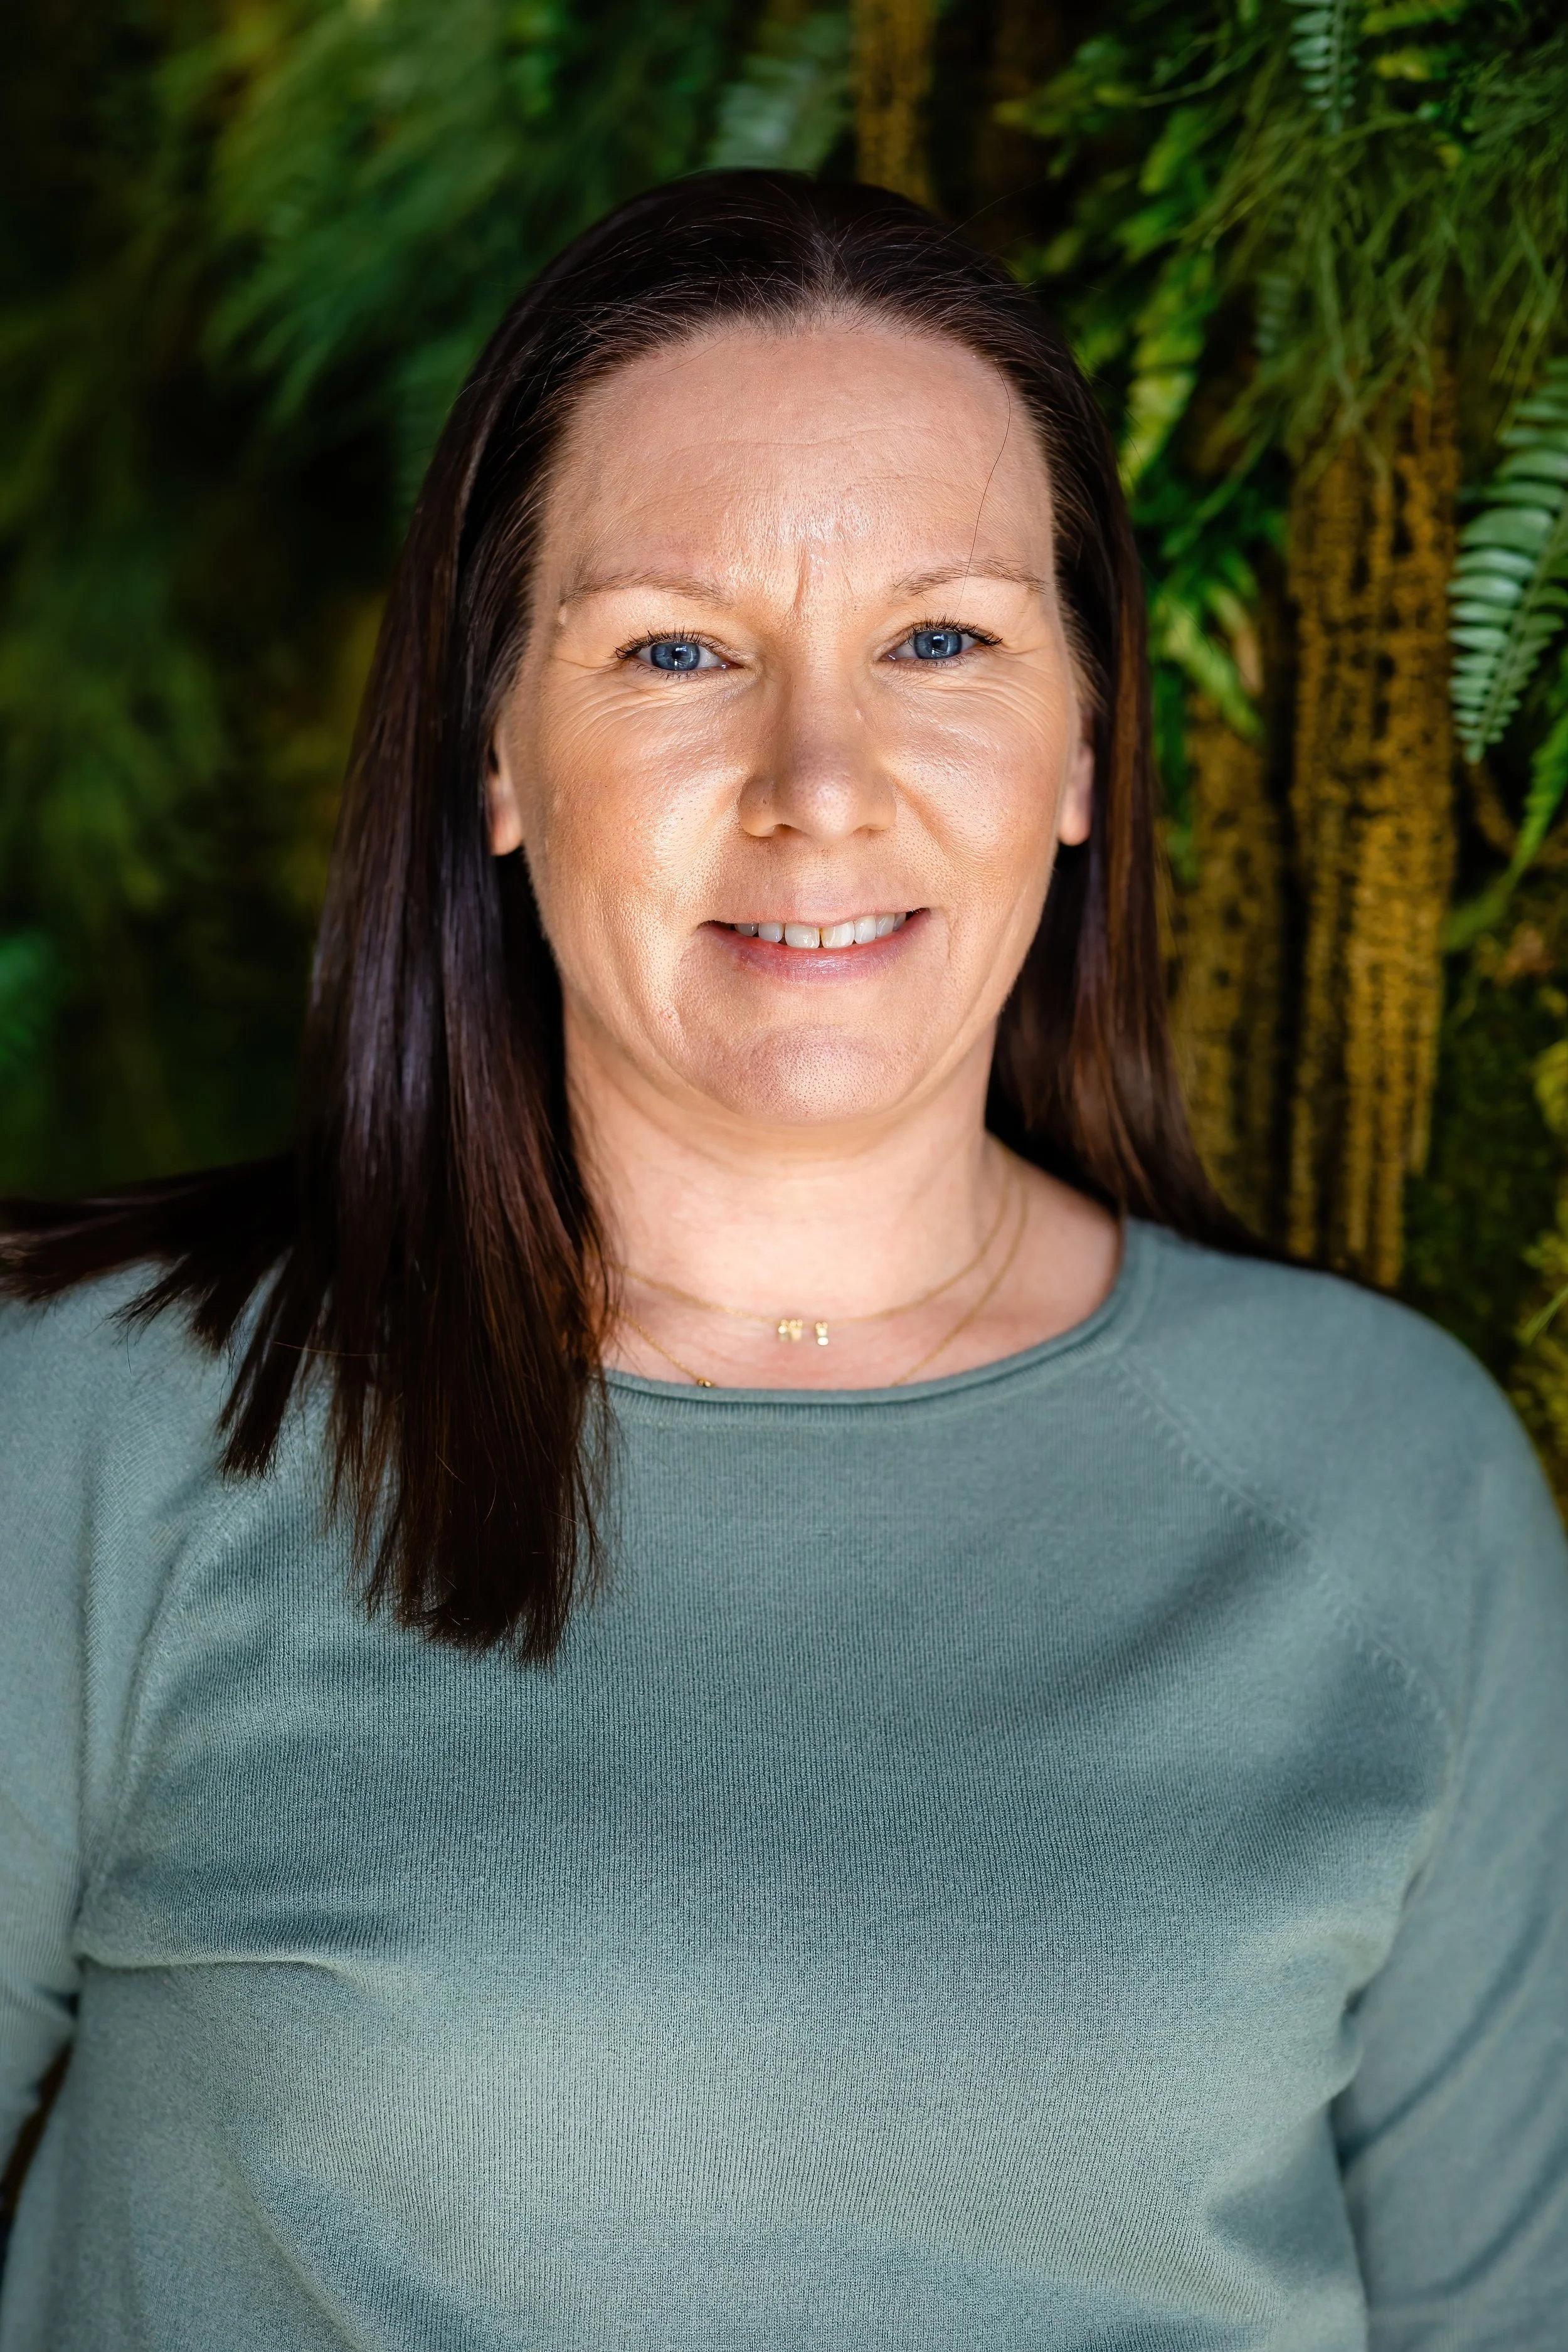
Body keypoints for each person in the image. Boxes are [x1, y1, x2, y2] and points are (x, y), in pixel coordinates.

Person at [1, 171, 1564, 2351]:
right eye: (674, 651)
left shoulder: (1387, 1470)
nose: (815, 784)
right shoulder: (94, 1419)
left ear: (1083, 743)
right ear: (495, 757)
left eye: (939, 640)